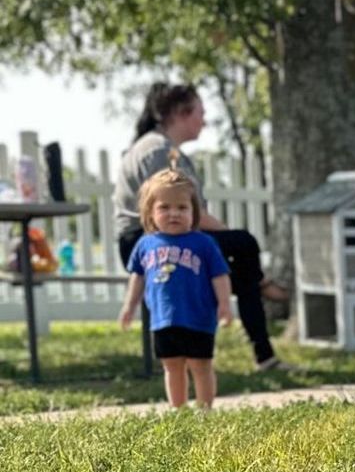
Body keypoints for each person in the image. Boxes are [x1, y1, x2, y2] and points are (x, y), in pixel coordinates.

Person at [113, 82, 290, 372]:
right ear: (181, 114)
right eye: (200, 112)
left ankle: (262, 336)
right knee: (243, 244)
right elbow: (179, 209)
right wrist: (225, 232)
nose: (204, 121)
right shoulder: (160, 151)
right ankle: (263, 334)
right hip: (148, 242)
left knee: (242, 264)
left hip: (157, 239)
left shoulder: (155, 147)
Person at [119, 170, 232, 408]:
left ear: (194, 212)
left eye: (182, 208)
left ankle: (205, 412)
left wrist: (224, 304)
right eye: (164, 207)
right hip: (163, 319)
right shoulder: (146, 244)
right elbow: (137, 277)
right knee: (172, 366)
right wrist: (129, 306)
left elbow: (219, 275)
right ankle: (178, 412)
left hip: (199, 317)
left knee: (200, 365)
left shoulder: (204, 243)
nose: (174, 213)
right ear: (150, 212)